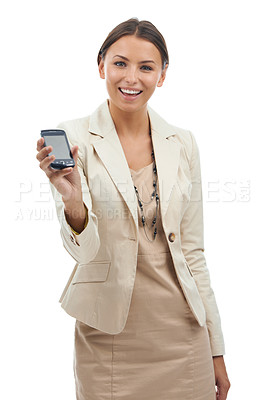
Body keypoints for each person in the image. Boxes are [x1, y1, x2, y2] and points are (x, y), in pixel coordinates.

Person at [36, 17, 230, 400]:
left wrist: (216, 348)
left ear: (162, 75)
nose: (131, 78)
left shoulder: (183, 142)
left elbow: (194, 252)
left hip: (183, 334)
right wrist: (72, 199)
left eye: (146, 67)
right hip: (109, 338)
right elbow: (83, 251)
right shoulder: (75, 137)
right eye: (120, 63)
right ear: (101, 65)